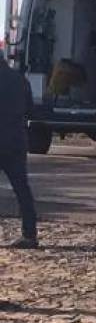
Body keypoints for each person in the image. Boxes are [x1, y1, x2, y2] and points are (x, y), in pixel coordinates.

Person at [0, 48, 38, 248]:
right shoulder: (20, 80)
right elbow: (30, 110)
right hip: (15, 140)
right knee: (22, 189)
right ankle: (30, 234)